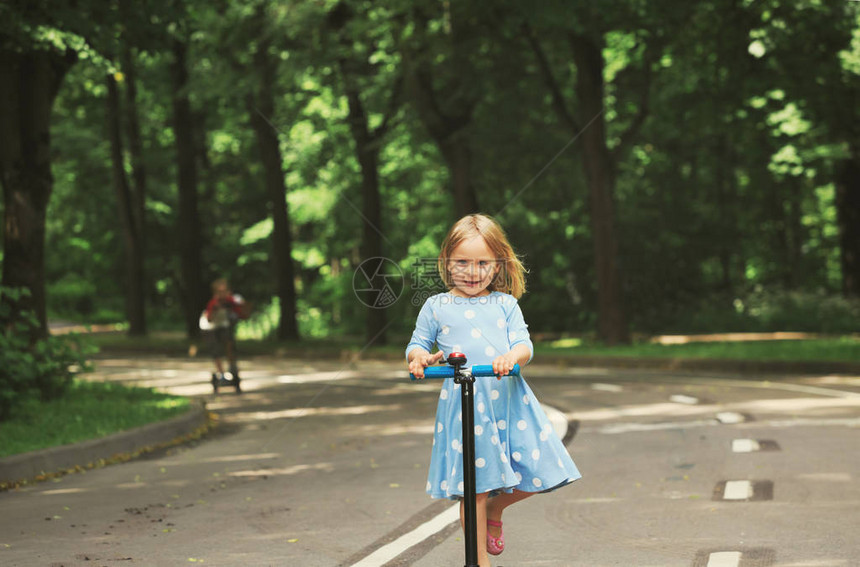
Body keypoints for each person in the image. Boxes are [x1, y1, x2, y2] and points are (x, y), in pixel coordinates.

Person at [406, 213, 581, 567]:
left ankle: (497, 509)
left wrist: (511, 356)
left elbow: (524, 344)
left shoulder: (505, 304)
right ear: (445, 263)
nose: (472, 271)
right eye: (462, 262)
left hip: (510, 403)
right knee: (476, 489)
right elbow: (416, 345)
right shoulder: (436, 306)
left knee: (539, 470)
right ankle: (480, 562)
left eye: (482, 262)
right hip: (466, 406)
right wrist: (419, 359)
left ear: (497, 265)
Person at [203, 278, 248, 386]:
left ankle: (232, 366)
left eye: (224, 291)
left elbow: (241, 313)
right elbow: (209, 318)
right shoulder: (213, 303)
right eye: (220, 292)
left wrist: (240, 307)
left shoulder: (231, 301)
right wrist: (215, 309)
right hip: (212, 328)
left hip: (225, 327)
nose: (223, 294)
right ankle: (221, 373)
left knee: (229, 344)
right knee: (216, 350)